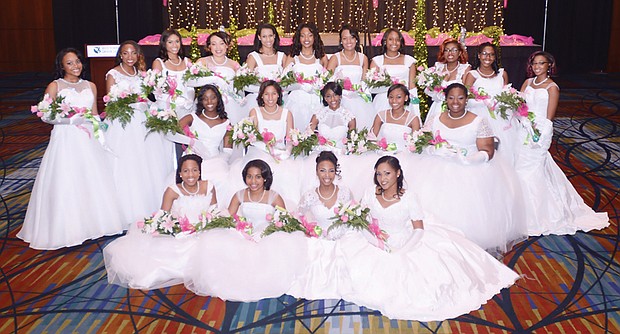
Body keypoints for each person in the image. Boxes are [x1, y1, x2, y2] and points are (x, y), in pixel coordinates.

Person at [336, 156, 520, 321]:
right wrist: (373, 237)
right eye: (378, 174)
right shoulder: (370, 192)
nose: (382, 179)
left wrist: (402, 252)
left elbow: (418, 230)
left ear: (398, 173)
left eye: (387, 173)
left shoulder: (409, 198)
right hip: (375, 239)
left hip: (404, 241)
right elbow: (361, 220)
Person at [17, 48, 123, 250]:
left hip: (87, 139)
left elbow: (94, 114)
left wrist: (100, 129)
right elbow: (46, 115)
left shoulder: (90, 85)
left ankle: (94, 224)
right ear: (62, 66)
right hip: (65, 138)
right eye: (70, 63)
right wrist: (71, 119)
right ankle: (68, 228)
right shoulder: (55, 86)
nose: (75, 66)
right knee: (67, 179)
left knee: (90, 178)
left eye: (77, 62)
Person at [411, 83, 527, 254]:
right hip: (437, 166)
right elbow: (424, 142)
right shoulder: (436, 118)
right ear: (445, 99)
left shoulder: (478, 121)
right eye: (451, 98)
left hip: (471, 168)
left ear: (466, 100)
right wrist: (433, 149)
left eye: (460, 98)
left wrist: (466, 160)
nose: (455, 102)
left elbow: (488, 151)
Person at [184, 159, 307, 301]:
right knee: (216, 242)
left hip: (268, 234)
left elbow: (283, 221)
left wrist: (264, 233)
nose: (253, 181)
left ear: (265, 178)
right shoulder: (239, 195)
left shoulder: (274, 197)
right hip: (245, 233)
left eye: (258, 177)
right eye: (249, 176)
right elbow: (228, 218)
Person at [516, 52, 609, 235]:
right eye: (534, 63)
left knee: (530, 171)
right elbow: (519, 105)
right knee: (518, 168)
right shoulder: (527, 83)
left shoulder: (552, 88)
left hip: (538, 133)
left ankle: (538, 216)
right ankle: (519, 213)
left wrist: (541, 136)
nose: (537, 67)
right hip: (522, 131)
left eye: (541, 64)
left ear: (549, 65)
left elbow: (549, 118)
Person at [104, 154, 217, 289]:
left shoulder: (208, 186)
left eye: (194, 170)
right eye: (186, 171)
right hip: (182, 233)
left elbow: (214, 211)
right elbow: (163, 216)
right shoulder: (172, 191)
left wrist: (206, 225)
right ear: (180, 173)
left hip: (206, 230)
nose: (190, 174)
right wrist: (177, 228)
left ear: (199, 171)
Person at [104, 41, 166, 224]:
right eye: (125, 53)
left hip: (142, 122)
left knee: (145, 164)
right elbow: (110, 101)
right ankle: (124, 211)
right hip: (122, 123)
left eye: (133, 53)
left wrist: (150, 104)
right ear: (120, 55)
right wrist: (130, 103)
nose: (129, 56)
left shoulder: (142, 75)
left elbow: (146, 97)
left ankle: (147, 206)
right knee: (126, 163)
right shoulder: (112, 74)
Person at [463, 42, 518, 165]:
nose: (487, 58)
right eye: (484, 54)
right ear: (478, 55)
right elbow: (465, 98)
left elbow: (506, 93)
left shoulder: (502, 74)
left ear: (495, 57)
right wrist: (483, 101)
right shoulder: (472, 75)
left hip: (501, 116)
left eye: (491, 55)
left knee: (505, 147)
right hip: (480, 116)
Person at [176, 85, 232, 205]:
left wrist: (218, 162)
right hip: (193, 157)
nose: (209, 102)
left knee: (222, 178)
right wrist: (192, 142)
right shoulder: (192, 117)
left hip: (215, 160)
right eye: (205, 98)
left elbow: (228, 151)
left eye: (213, 98)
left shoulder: (226, 122)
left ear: (218, 99)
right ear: (200, 101)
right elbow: (171, 132)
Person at [326, 25, 374, 129]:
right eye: (345, 38)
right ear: (341, 41)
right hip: (340, 100)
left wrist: (359, 91)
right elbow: (327, 81)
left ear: (356, 39)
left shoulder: (363, 58)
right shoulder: (335, 58)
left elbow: (364, 81)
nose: (349, 41)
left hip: (358, 99)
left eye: (352, 37)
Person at [194, 31, 246, 124]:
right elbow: (191, 81)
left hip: (230, 104)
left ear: (227, 45)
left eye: (222, 43)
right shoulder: (202, 62)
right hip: (208, 103)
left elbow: (239, 89)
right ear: (209, 46)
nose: (218, 48)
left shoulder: (234, 65)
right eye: (214, 44)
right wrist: (214, 79)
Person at [283, 23, 328, 129]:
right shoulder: (293, 57)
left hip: (316, 100)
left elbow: (327, 79)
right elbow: (284, 82)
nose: (306, 39)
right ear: (298, 38)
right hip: (297, 101)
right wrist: (299, 86)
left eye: (310, 35)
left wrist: (318, 86)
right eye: (303, 35)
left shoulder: (322, 57)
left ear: (315, 37)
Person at [369, 28, 418, 117]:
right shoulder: (377, 61)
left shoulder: (409, 61)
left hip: (403, 102)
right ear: (385, 41)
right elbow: (371, 86)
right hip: (382, 101)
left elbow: (412, 87)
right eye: (391, 39)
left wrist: (415, 108)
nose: (394, 43)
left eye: (397, 40)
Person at [423, 38, 471, 124]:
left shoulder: (465, 68)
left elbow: (466, 91)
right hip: (438, 107)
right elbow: (431, 89)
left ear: (459, 52)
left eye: (454, 50)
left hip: (456, 107)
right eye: (447, 50)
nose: (450, 53)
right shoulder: (438, 67)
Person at [151, 29, 195, 119]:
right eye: (170, 42)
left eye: (177, 41)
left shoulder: (187, 61)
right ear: (164, 44)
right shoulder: (159, 63)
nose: (174, 45)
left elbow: (194, 83)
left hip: (187, 107)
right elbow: (157, 88)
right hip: (166, 107)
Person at [244, 23, 287, 111]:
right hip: (257, 98)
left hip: (280, 98)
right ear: (259, 37)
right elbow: (245, 83)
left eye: (270, 36)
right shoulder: (253, 57)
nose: (268, 39)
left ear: (274, 36)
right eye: (264, 36)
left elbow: (289, 80)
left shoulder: (282, 56)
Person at [371, 83, 421, 151]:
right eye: (391, 97)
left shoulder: (413, 119)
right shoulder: (381, 116)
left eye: (398, 97)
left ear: (406, 98)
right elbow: (372, 138)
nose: (394, 101)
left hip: (405, 155)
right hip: (382, 153)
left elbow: (416, 143)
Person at [309, 82, 356, 148]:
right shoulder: (318, 114)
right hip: (320, 151)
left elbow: (352, 141)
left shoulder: (349, 117)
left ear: (340, 96)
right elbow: (309, 135)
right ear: (325, 98)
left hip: (341, 153)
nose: (332, 99)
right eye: (329, 96)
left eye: (335, 95)